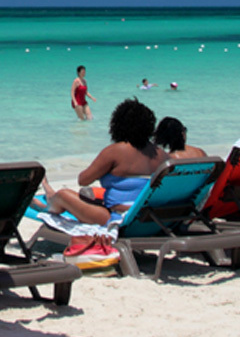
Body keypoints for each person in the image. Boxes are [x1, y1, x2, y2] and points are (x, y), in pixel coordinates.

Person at [41, 98, 168, 249]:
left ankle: (49, 200)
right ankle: (50, 195)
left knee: (63, 195)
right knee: (91, 196)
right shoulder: (162, 155)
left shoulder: (116, 151)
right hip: (152, 219)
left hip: (119, 219)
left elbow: (83, 179)